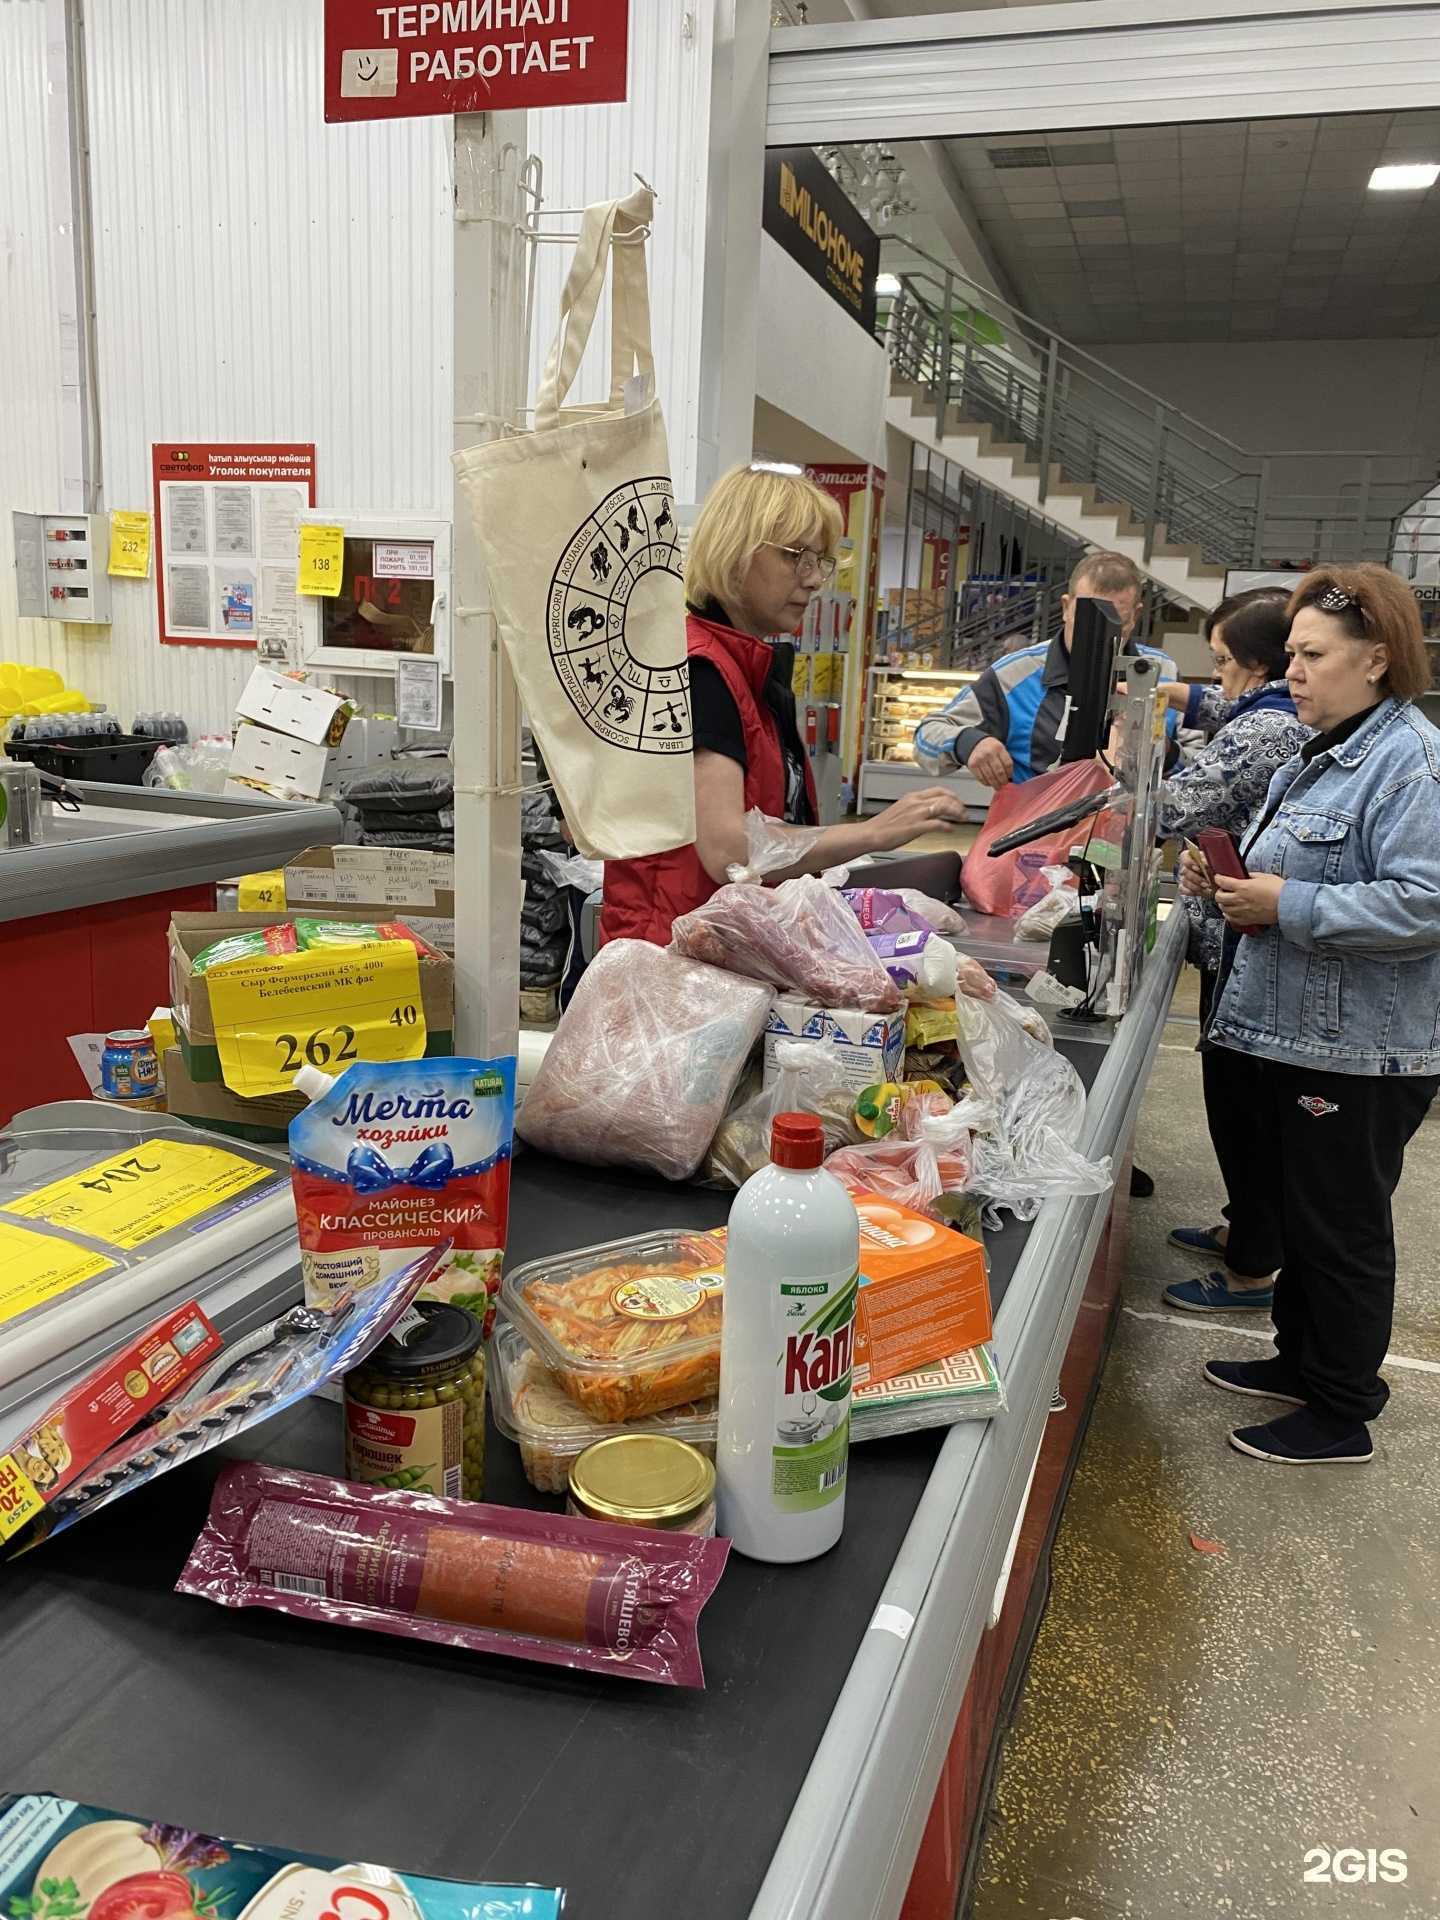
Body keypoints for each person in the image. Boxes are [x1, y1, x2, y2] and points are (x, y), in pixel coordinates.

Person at [1177, 563, 1440, 1466]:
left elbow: (1425, 903)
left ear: (1376, 658)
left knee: (1341, 1227)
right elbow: (1299, 871)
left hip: (1360, 1050)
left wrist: (1284, 902)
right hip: (1300, 1034)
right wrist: (1227, 882)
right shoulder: (1316, 752)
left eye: (1314, 655)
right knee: (1305, 1211)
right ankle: (1299, 1360)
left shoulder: (1411, 766)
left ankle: (1340, 1412)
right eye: (1290, 653)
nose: (1292, 671)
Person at [600, 466, 969, 945]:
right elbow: (728, 850)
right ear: (736, 550)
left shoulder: (744, 668)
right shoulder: (700, 670)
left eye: (821, 561)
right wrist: (873, 832)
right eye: (797, 557)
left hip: (718, 946)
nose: (814, 580)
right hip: (675, 956)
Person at [1147, 592, 1312, 1309]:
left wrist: (1124, 758)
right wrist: (1168, 693)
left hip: (1247, 945)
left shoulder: (1270, 725)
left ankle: (1252, 1265)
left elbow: (1170, 806)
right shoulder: (1268, 707)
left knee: (1243, 1105)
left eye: (1221, 661)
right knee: (1244, 1102)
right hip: (1241, 934)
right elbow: (1223, 705)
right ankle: (1248, 1229)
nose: (1214, 679)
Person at [913, 551, 1176, 790]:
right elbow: (927, 734)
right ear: (1065, 607)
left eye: (1117, 624)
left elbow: (1193, 766)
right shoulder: (1014, 675)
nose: (1097, 638)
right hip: (1037, 825)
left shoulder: (1163, 673)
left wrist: (1160, 748)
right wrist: (967, 742)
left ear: (1136, 616)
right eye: (1086, 620)